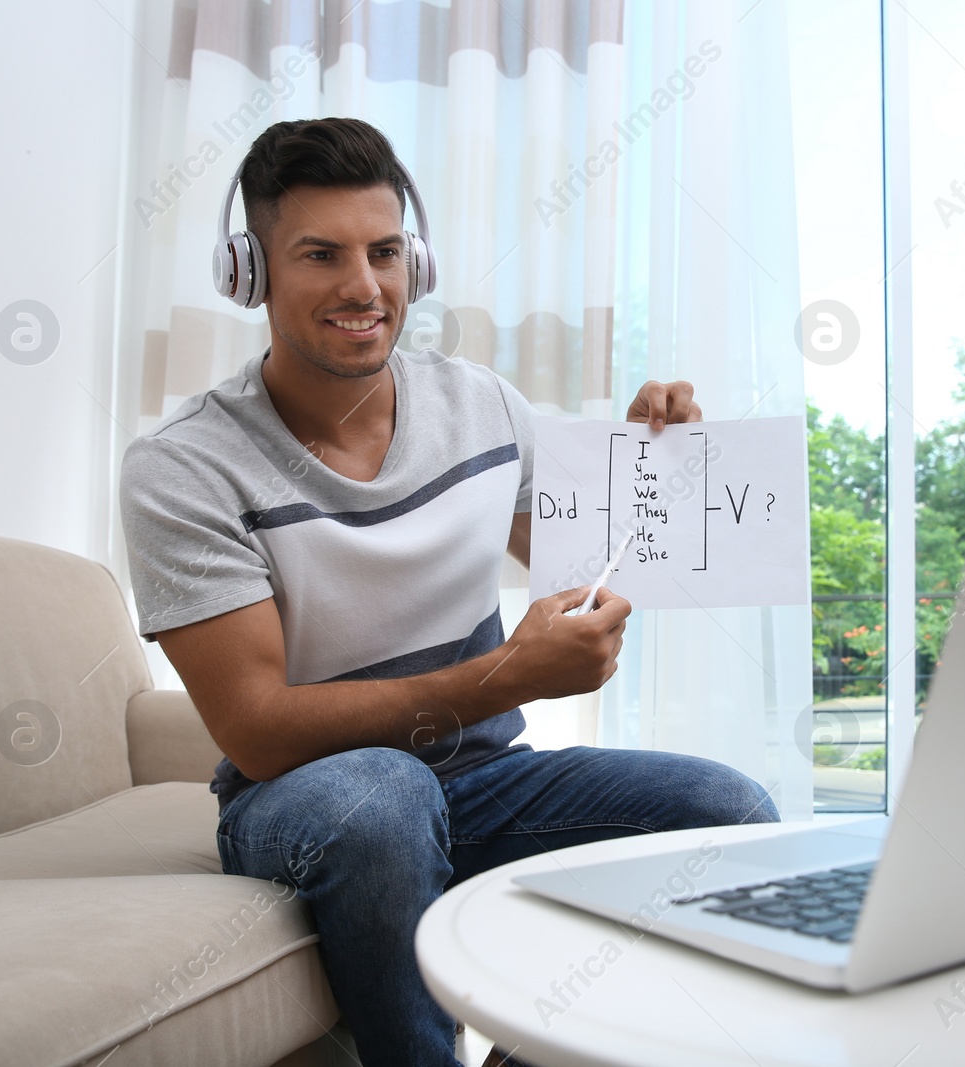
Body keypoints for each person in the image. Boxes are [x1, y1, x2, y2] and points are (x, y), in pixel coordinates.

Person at [118, 117, 779, 1066]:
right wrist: (508, 676)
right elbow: (257, 728)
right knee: (383, 795)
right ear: (250, 273)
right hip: (309, 799)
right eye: (319, 255)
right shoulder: (183, 468)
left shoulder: (479, 403)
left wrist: (651, 464)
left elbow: (586, 566)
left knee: (731, 810)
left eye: (385, 252)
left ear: (415, 265)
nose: (363, 286)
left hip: (486, 780)